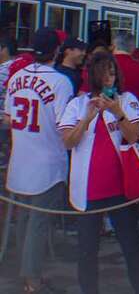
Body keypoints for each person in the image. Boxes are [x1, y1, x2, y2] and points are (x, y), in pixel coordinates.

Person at [58, 52, 139, 294]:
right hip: (87, 189)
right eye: (105, 73)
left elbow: (133, 136)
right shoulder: (77, 104)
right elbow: (68, 142)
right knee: (87, 250)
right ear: (95, 77)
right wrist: (86, 119)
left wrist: (117, 112)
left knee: (131, 246)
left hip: (121, 187)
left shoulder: (127, 99)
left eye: (112, 72)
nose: (110, 78)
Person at [3, 28, 74, 294]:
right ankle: (32, 281)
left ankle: (27, 275)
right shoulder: (61, 81)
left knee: (24, 221)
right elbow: (62, 125)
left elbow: (9, 117)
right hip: (47, 161)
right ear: (57, 50)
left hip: (20, 159)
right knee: (38, 224)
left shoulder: (17, 76)